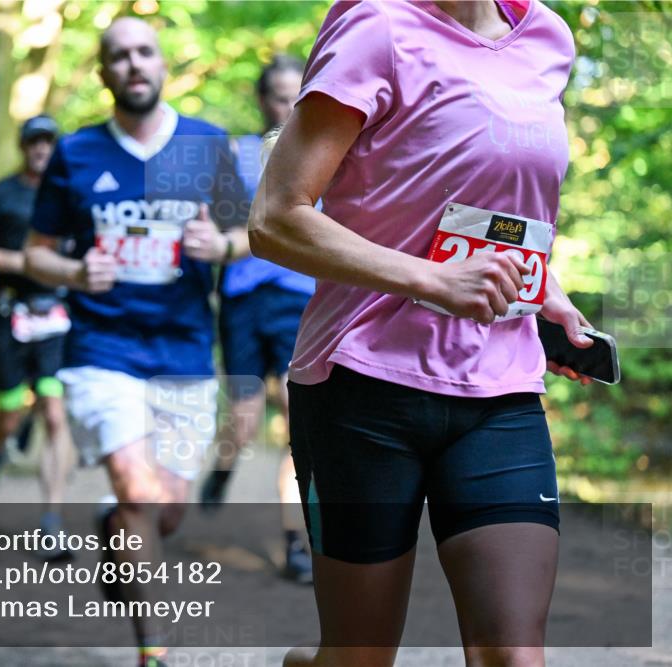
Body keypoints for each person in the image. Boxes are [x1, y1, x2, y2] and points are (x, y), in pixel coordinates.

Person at [248, 1, 593, 665]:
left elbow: (495, 196)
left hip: (499, 385)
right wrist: (433, 282)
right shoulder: (378, 26)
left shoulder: (547, 35)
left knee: (515, 655)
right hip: (363, 381)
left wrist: (542, 288)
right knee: (359, 657)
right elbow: (274, 218)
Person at [24, 18, 250, 667]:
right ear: (103, 74)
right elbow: (34, 255)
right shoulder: (78, 151)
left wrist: (222, 246)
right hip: (102, 347)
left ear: (163, 64)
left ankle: (114, 532)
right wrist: (74, 271)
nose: (132, 64)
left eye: (143, 52)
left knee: (165, 509)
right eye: (118, 56)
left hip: (182, 349)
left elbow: (254, 234)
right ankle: (154, 649)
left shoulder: (205, 145)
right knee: (137, 489)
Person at [198, 54, 316, 584]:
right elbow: (228, 227)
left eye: (298, 93)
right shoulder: (235, 154)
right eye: (277, 95)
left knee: (300, 418)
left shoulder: (327, 151)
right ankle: (224, 465)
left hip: (300, 298)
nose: (288, 105)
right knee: (243, 422)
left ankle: (297, 542)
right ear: (261, 100)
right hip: (244, 301)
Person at [0, 115, 75, 558]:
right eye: (34, 142)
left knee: (53, 412)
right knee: (9, 412)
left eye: (49, 141)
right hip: (10, 315)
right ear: (23, 146)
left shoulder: (70, 193)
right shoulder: (0, 193)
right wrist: (20, 262)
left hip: (56, 317)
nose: (41, 148)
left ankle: (51, 520)